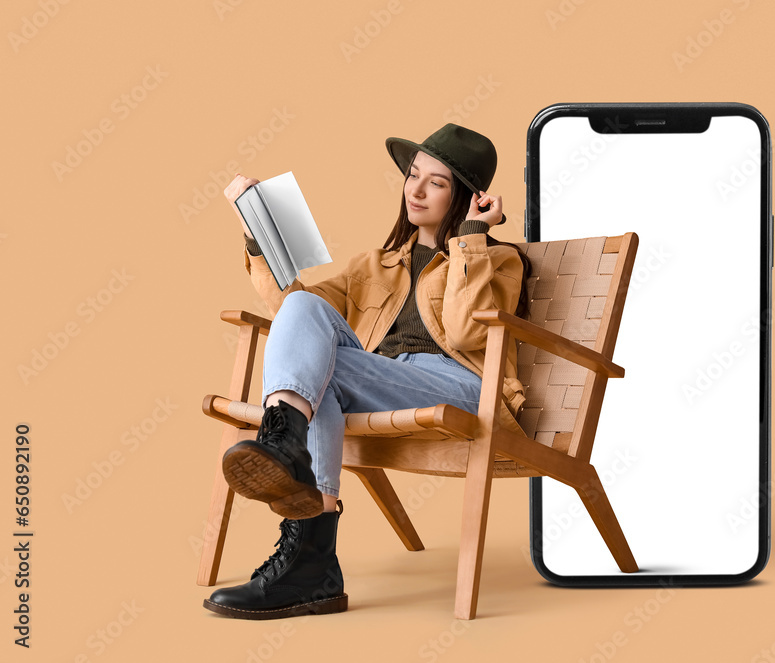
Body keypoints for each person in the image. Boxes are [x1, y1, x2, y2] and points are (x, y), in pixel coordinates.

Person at [203, 123, 532, 620]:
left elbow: (467, 334)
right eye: (412, 175)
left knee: (318, 375)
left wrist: (472, 238)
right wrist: (258, 240)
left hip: (464, 390)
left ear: (466, 198)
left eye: (436, 183)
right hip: (383, 378)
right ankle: (311, 561)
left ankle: (286, 456)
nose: (416, 190)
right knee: (307, 323)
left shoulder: (500, 259)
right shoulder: (375, 264)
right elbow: (294, 313)